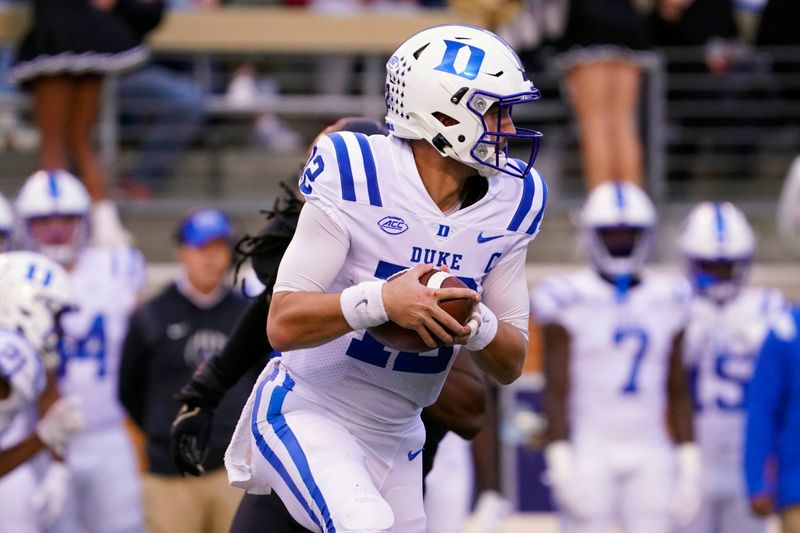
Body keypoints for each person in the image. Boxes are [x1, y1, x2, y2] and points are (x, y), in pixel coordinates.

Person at [220, 23, 545, 532]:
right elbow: (282, 322)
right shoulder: (355, 168)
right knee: (362, 522)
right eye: (495, 110)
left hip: (399, 435)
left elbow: (511, 362)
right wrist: (382, 301)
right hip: (308, 410)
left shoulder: (513, 201)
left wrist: (475, 322)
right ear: (443, 112)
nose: (508, 127)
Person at [169, 117, 489, 532]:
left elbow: (471, 412)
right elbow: (270, 316)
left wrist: (392, 342)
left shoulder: (417, 268)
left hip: (387, 475)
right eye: (313, 167)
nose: (318, 184)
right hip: (305, 461)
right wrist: (205, 393)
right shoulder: (311, 258)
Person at [532, 181, 698, 533]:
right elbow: (556, 388)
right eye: (612, 235)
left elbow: (678, 389)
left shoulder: (671, 296)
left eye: (629, 235)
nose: (621, 243)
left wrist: (689, 463)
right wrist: (559, 457)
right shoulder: (567, 296)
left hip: (651, 444)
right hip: (590, 445)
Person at [13, 169, 146, 533]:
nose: (55, 228)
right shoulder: (12, 277)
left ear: (84, 221)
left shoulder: (117, 267)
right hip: (38, 437)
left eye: (66, 218)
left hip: (107, 430)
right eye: (43, 220)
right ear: (25, 225)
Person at [119, 208, 256, 533]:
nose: (210, 258)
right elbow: (128, 389)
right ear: (181, 252)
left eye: (218, 248)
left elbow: (262, 380)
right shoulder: (152, 315)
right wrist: (160, 434)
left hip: (233, 470)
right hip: (169, 474)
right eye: (200, 248)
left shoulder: (247, 314)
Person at [11, 0, 165, 245]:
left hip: (56, 31)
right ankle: (106, 227)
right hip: (89, 31)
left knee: (53, 145)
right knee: (81, 142)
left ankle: (52, 230)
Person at [678, 201, 783, 533]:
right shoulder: (674, 303)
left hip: (746, 458)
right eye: (710, 266)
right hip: (692, 459)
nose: (719, 275)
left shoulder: (768, 308)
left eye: (727, 267)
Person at [0, 251, 84, 532]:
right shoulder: (13, 359)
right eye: (54, 315)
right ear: (27, 306)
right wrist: (42, 438)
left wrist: (43, 438)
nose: (58, 330)